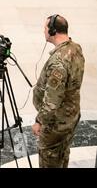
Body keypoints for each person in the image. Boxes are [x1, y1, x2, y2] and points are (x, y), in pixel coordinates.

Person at [32, 14, 85, 168]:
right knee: (62, 157)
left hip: (56, 124)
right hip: (70, 117)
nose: (44, 31)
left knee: (49, 160)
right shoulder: (75, 48)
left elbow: (52, 101)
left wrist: (39, 121)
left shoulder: (58, 63)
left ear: (53, 31)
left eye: (45, 28)